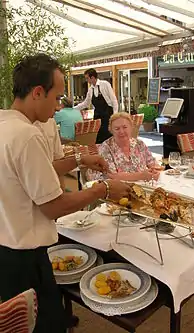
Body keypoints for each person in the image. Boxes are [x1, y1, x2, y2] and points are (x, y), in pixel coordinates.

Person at [0, 53, 131, 333]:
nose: (59, 106)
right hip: (25, 257)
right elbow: (54, 206)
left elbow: (36, 173)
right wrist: (104, 188)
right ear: (37, 93)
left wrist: (80, 159)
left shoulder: (5, 126)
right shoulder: (26, 135)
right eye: (57, 97)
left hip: (6, 250)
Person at [87, 112, 162, 182]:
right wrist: (142, 176)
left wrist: (155, 170)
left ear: (131, 127)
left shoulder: (139, 144)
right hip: (117, 191)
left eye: (125, 127)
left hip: (142, 188)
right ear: (111, 130)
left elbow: (153, 163)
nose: (121, 131)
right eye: (117, 129)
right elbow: (112, 176)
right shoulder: (105, 148)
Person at [74, 68, 118, 143]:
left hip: (107, 116)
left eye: (87, 78)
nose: (86, 80)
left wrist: (115, 115)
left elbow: (114, 100)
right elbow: (86, 103)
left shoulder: (105, 84)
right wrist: (73, 108)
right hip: (97, 117)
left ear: (92, 77)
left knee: (108, 138)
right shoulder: (90, 89)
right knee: (97, 139)